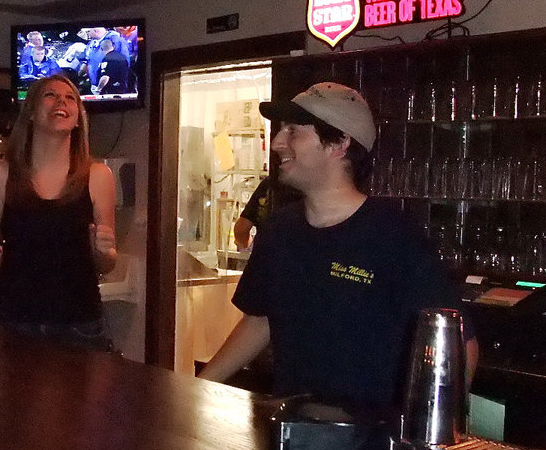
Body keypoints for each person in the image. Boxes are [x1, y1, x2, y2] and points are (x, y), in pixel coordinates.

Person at [200, 81, 478, 409]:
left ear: (339, 143)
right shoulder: (279, 230)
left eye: (293, 131)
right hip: (291, 434)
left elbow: (463, 346)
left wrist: (422, 437)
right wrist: (199, 389)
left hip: (370, 447)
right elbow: (260, 321)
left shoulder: (395, 237)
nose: (276, 143)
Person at [0, 74, 118, 351]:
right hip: (15, 321)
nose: (61, 102)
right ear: (30, 114)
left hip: (80, 324)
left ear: (78, 119)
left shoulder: (99, 176)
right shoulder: (1, 174)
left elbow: (106, 264)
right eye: (50, 95)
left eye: (70, 98)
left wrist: (102, 250)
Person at [232, 173, 300, 250]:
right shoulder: (310, 186)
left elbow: (241, 229)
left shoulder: (269, 184)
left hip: (266, 255)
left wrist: (247, 246)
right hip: (300, 255)